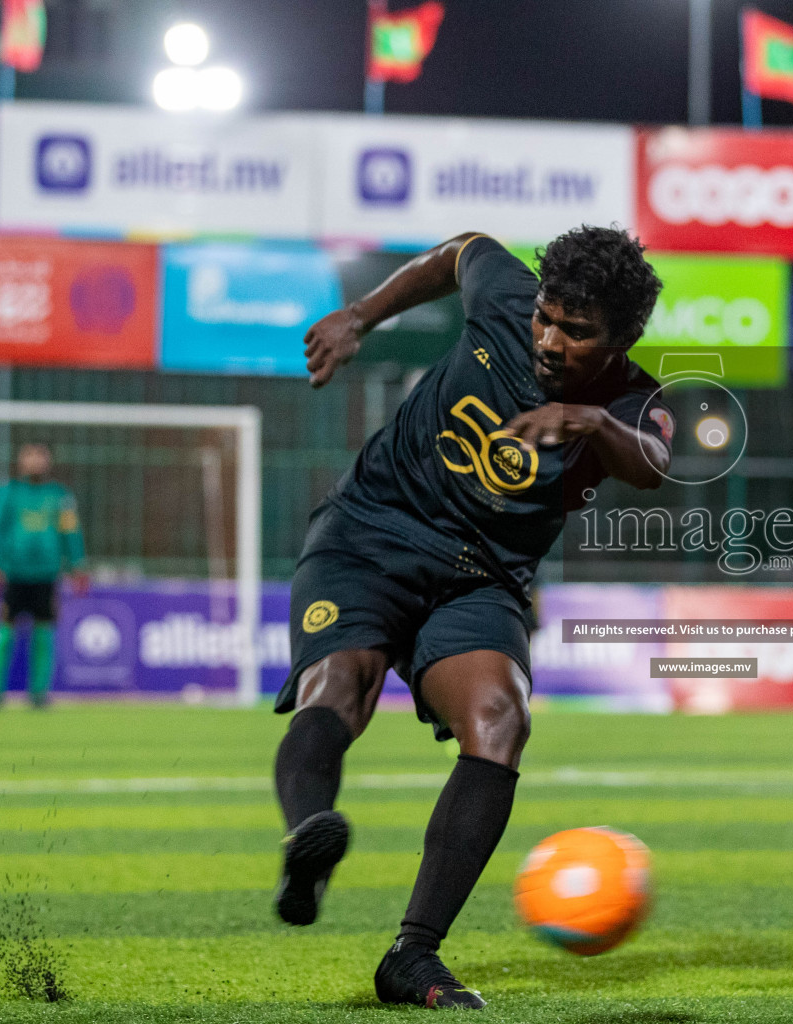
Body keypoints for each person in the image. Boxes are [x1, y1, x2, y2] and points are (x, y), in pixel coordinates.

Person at [273, 226, 670, 1010]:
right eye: (546, 318)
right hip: (369, 535)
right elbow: (461, 249)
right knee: (339, 682)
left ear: (621, 338)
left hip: (479, 577)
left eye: (577, 331)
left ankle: (411, 956)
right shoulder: (504, 295)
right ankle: (308, 836)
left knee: (500, 719)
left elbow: (654, 465)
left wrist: (588, 422)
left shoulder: (629, 399)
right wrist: (361, 315)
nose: (551, 340)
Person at [0, 443, 87, 709]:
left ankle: (39, 694)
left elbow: (70, 532)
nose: (36, 463)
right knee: (4, 632)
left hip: (46, 574)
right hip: (14, 573)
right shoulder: (9, 494)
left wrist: (78, 564)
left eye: (40, 458)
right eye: (30, 458)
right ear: (21, 462)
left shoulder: (59, 496)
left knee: (44, 633)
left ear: (47, 462)